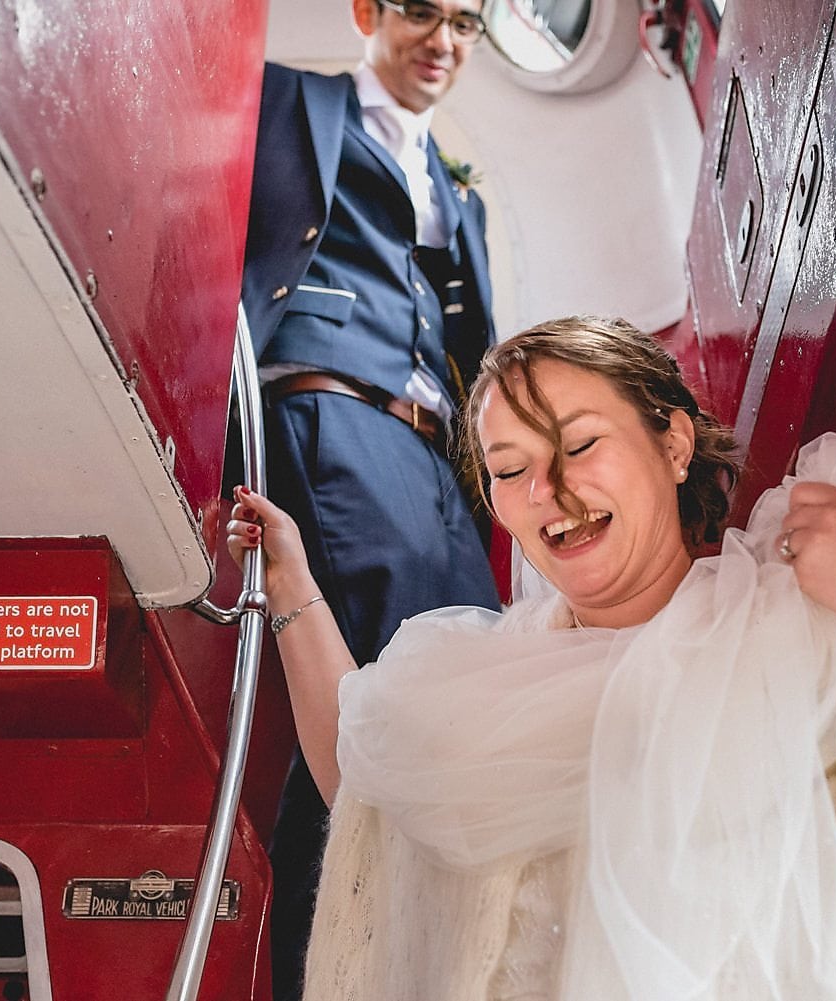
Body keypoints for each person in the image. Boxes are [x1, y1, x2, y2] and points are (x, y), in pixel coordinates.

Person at [228, 316, 836, 1001]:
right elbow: (365, 776)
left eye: (579, 445)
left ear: (675, 443)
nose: (548, 486)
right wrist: (293, 580)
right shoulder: (482, 676)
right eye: (511, 469)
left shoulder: (793, 622)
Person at [234, 2, 501, 994]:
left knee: (474, 685)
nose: (445, 39)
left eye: (467, 23)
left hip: (440, 460)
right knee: (376, 701)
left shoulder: (458, 193)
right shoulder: (288, 105)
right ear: (366, 13)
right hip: (333, 406)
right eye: (424, 12)